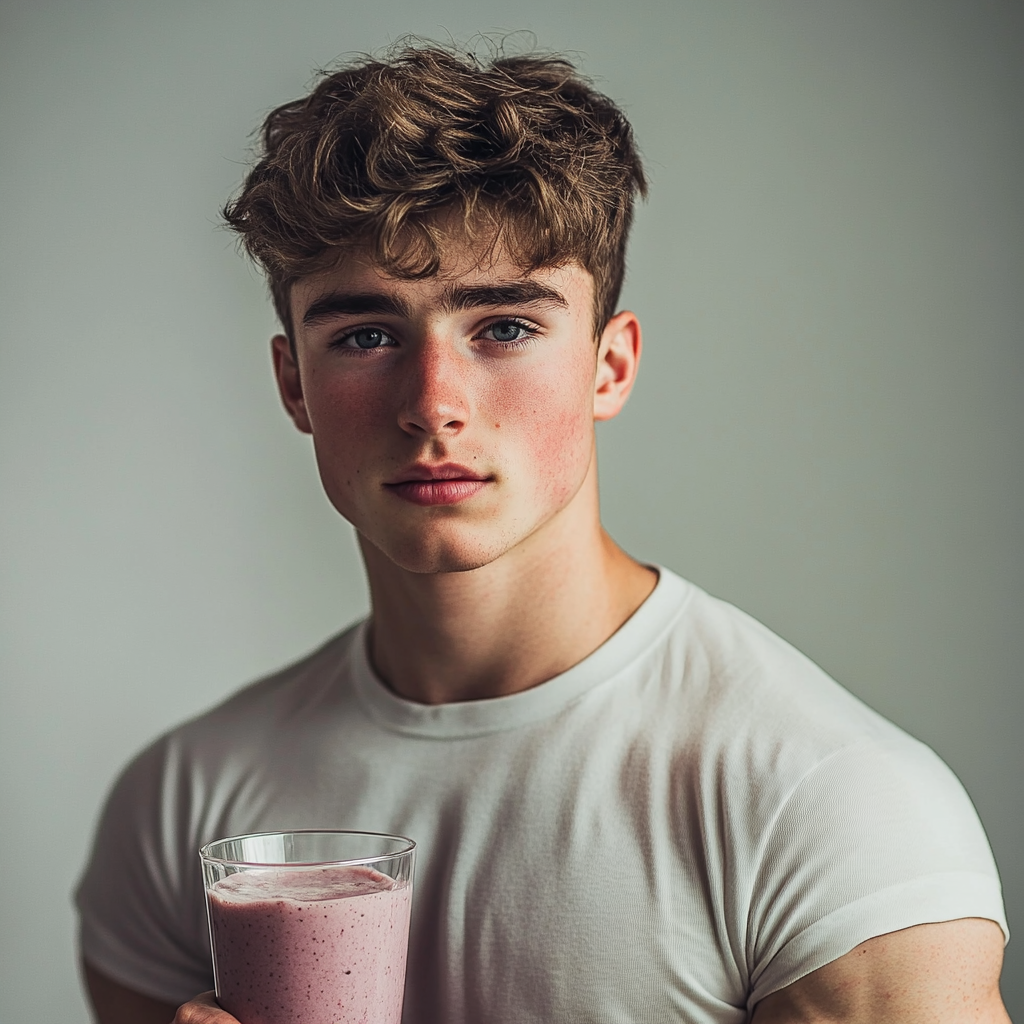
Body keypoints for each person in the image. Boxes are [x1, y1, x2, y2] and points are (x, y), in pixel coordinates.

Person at [76, 42, 1010, 1024]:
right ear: (292, 384)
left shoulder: (829, 805)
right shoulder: (185, 802)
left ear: (608, 367)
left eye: (505, 328)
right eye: (366, 335)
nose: (434, 404)